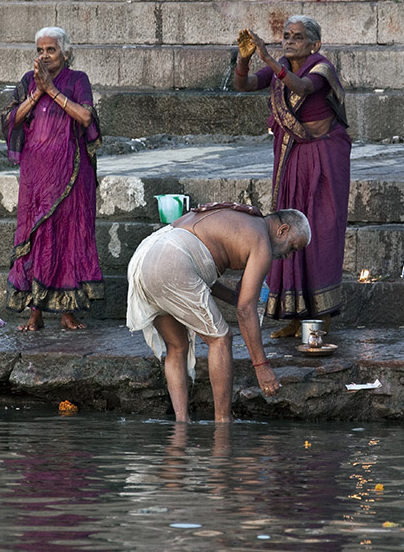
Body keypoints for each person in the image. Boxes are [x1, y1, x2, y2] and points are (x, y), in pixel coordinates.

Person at [126, 203, 311, 423]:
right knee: (221, 339)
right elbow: (245, 310)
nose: (288, 256)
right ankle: (223, 424)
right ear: (283, 230)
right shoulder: (262, 241)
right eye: (292, 248)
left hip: (146, 255)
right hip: (172, 260)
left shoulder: (238, 218)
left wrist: (232, 297)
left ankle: (181, 425)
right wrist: (262, 367)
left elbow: (198, 267)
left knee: (177, 346)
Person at [233, 15, 351, 339]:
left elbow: (301, 87)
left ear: (315, 43)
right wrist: (244, 58)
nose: (289, 40)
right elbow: (241, 85)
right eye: (286, 35)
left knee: (321, 230)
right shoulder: (280, 66)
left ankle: (321, 316)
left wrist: (268, 58)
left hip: (324, 158)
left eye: (297, 36)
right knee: (287, 230)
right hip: (291, 156)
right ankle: (295, 316)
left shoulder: (322, 68)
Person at [1, 26, 103, 331]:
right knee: (36, 238)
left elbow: (86, 118)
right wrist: (36, 94)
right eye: (40, 50)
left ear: (66, 52)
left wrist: (53, 92)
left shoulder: (78, 80)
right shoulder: (27, 82)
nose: (44, 56)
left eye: (51, 50)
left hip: (71, 172)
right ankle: (35, 313)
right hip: (36, 174)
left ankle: (68, 312)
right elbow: (9, 119)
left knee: (68, 236)